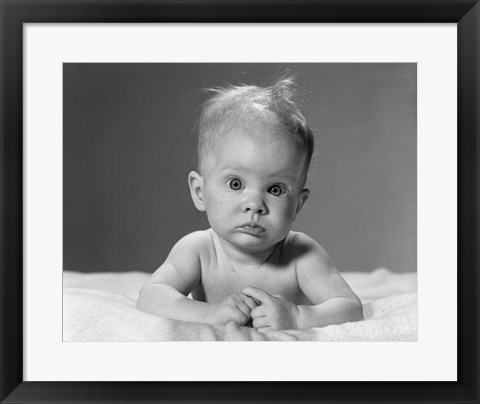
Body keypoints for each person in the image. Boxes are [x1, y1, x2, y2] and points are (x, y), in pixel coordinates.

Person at [136, 75, 363, 331]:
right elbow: (151, 297)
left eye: (275, 189)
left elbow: (350, 308)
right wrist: (208, 313)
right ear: (200, 192)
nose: (255, 204)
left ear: (298, 205)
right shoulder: (199, 250)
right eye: (235, 184)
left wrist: (298, 317)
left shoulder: (302, 254)